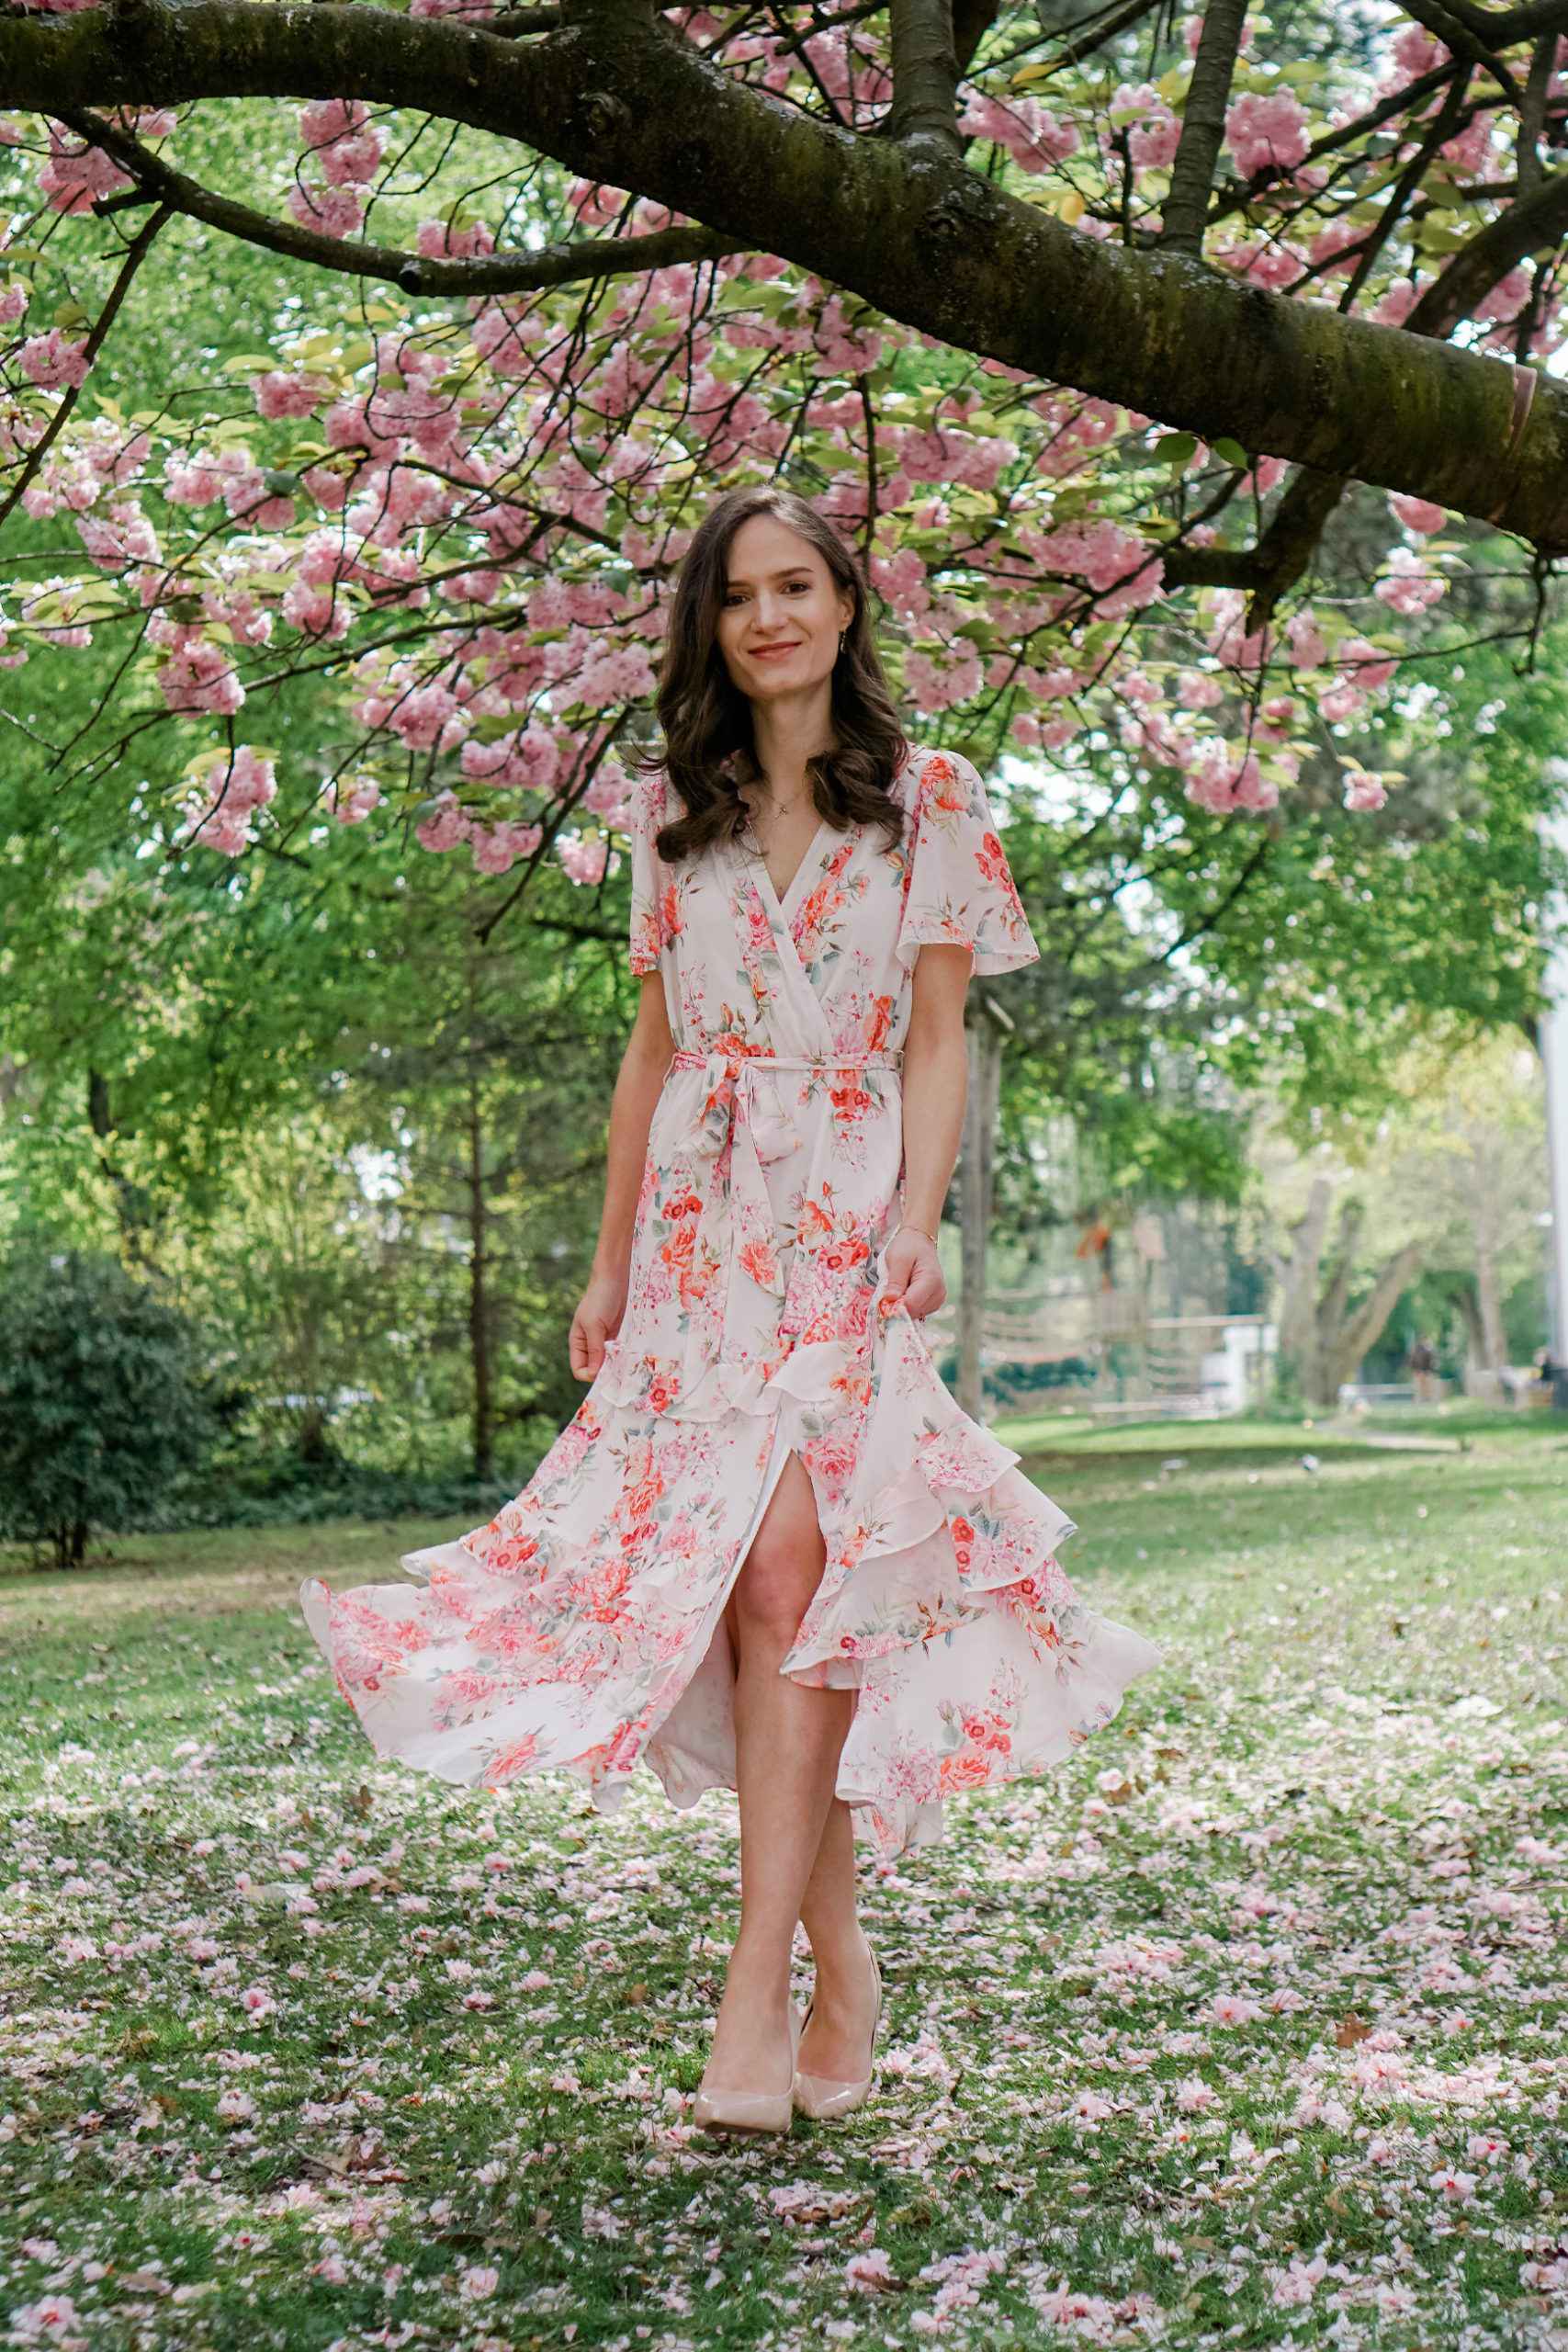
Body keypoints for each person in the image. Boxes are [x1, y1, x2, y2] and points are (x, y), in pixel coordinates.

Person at [302, 486, 1158, 2136]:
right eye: (736, 595)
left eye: (796, 586)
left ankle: (751, 1990)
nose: (767, 617)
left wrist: (917, 1226)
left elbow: (934, 1041)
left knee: (787, 1565)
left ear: (845, 606)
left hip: (843, 1222)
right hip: (702, 1240)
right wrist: (611, 1262)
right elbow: (650, 1055)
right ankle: (841, 1971)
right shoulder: (665, 817)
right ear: (710, 627)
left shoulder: (934, 802)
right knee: (739, 1594)